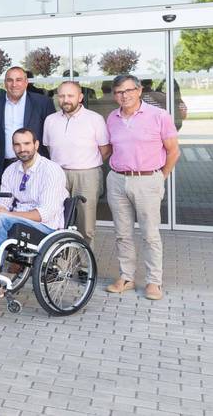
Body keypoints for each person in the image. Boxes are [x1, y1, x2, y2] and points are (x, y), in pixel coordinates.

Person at [104, 74, 180, 301]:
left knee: (150, 234)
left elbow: (174, 151)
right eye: (119, 92)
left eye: (128, 90)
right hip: (117, 179)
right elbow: (108, 148)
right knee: (122, 233)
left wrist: (160, 177)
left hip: (148, 179)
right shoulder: (112, 118)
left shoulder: (159, 116)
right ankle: (126, 278)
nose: (124, 96)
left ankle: (153, 281)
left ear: (138, 91)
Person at [0, 128, 67, 302]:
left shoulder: (51, 170)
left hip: (45, 227)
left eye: (26, 143)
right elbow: (4, 201)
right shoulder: (11, 170)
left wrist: (6, 214)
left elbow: (44, 214)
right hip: (17, 220)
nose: (22, 148)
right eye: (17, 144)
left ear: (36, 144)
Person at [42, 81, 111, 247]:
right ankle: (61, 264)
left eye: (70, 95)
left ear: (80, 97)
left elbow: (105, 150)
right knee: (57, 221)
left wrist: (85, 163)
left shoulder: (95, 119)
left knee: (85, 225)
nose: (66, 99)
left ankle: (85, 266)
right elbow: (50, 148)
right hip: (58, 175)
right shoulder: (50, 120)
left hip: (87, 175)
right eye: (62, 96)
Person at [0, 66, 55, 184]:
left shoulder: (43, 102)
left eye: (18, 80)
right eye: (10, 80)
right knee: (5, 200)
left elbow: (51, 133)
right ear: (5, 83)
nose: (14, 84)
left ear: (26, 82)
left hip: (35, 165)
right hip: (4, 165)